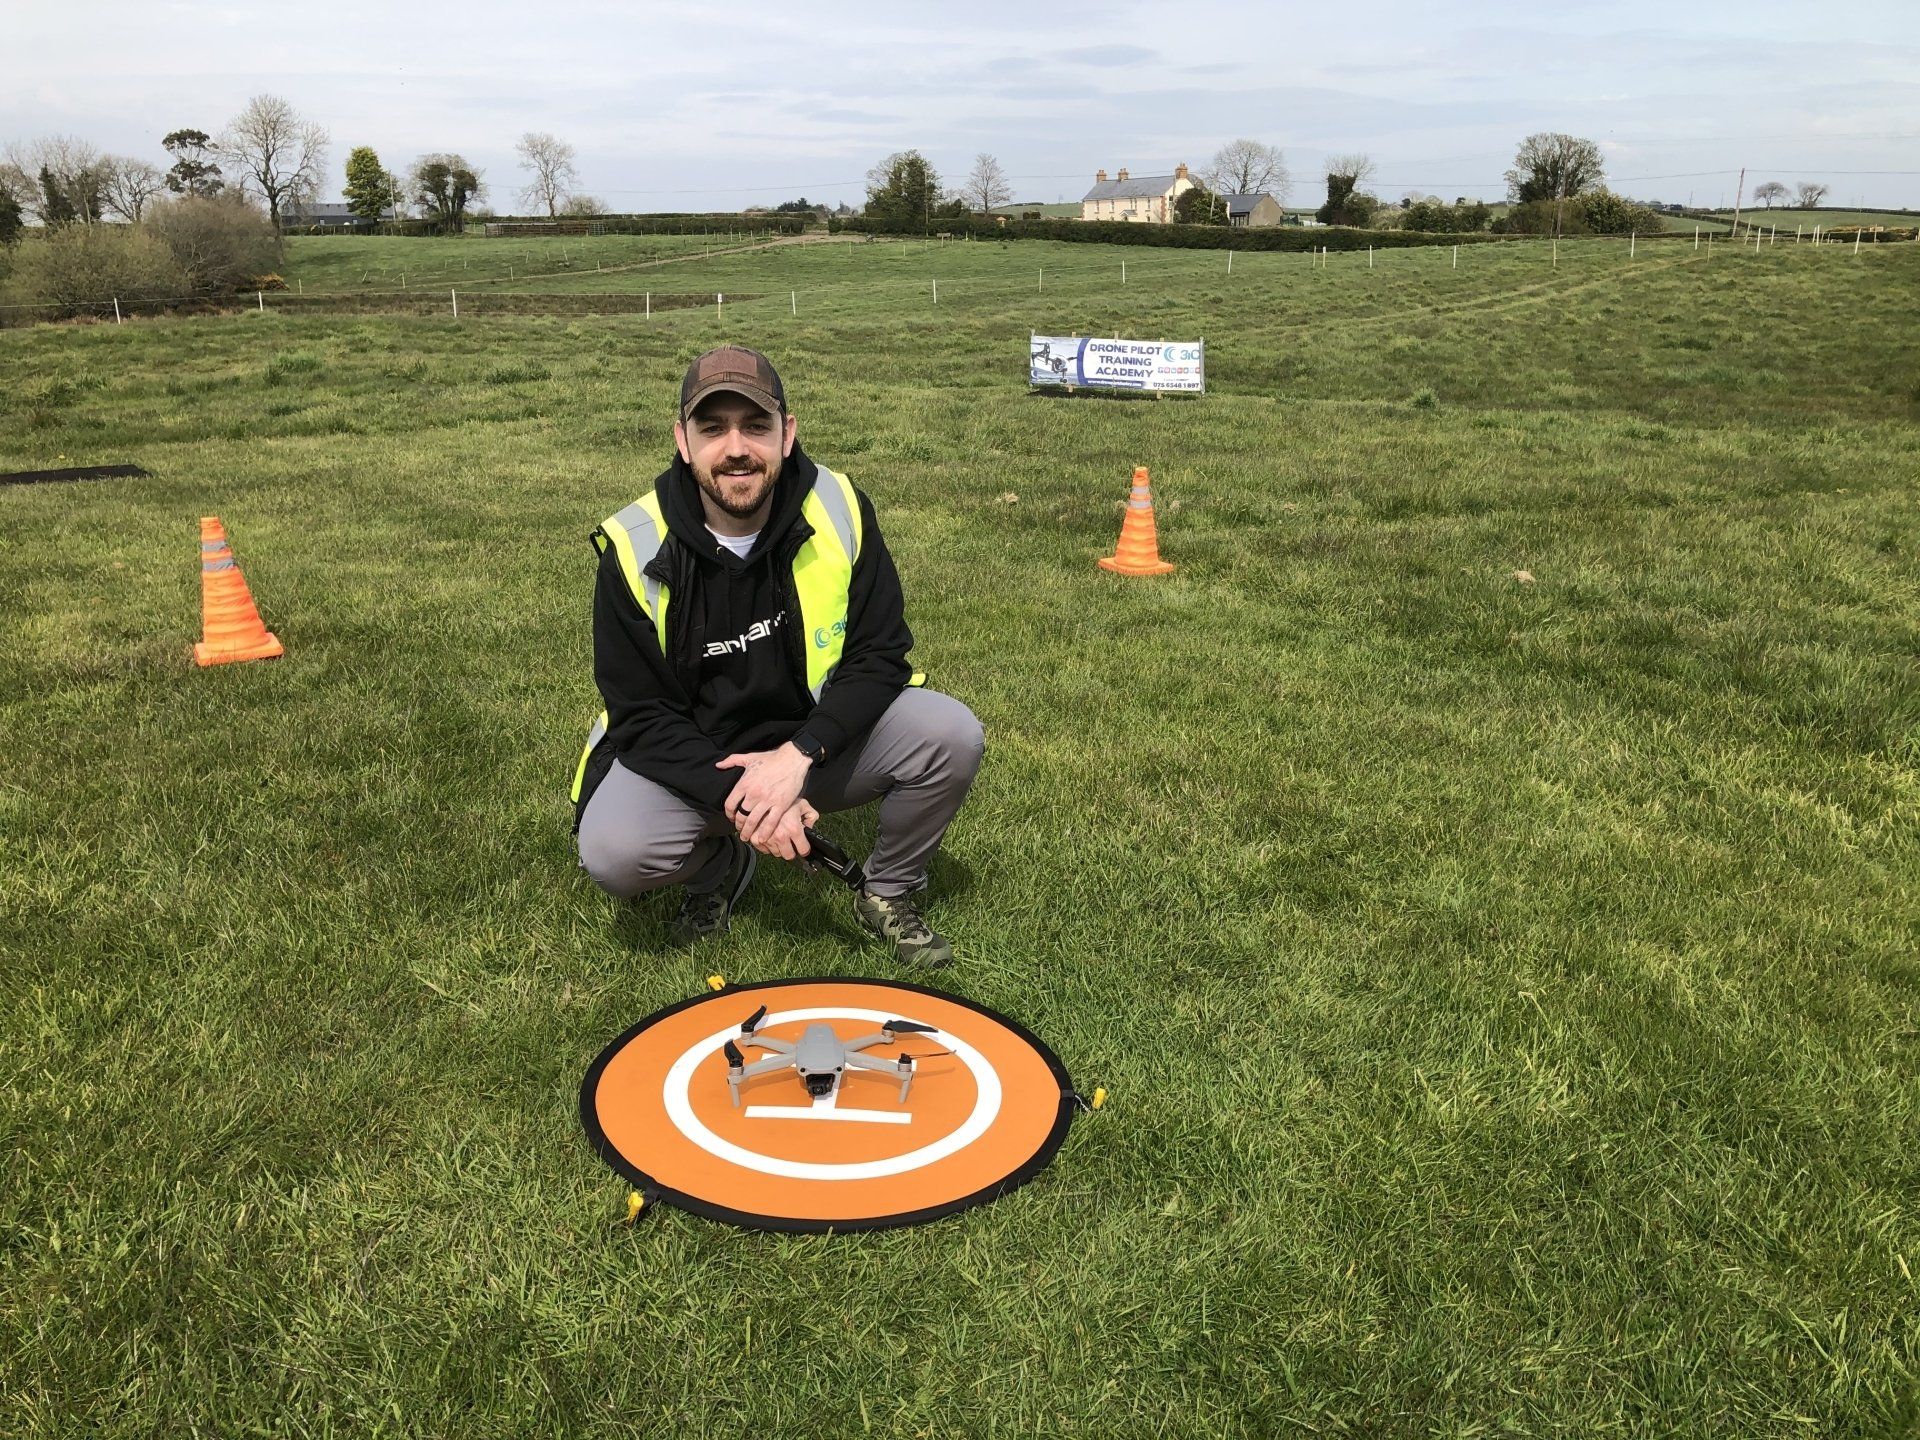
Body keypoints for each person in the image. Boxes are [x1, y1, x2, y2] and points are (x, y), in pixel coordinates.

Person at [572, 346, 984, 967]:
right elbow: (643, 715)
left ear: (787, 434)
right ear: (682, 441)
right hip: (700, 758)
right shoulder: (633, 546)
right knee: (615, 851)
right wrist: (750, 796)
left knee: (950, 734)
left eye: (756, 426)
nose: (736, 448)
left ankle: (888, 889)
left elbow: (880, 654)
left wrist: (799, 757)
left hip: (814, 747)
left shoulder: (839, 506)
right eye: (713, 428)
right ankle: (718, 868)